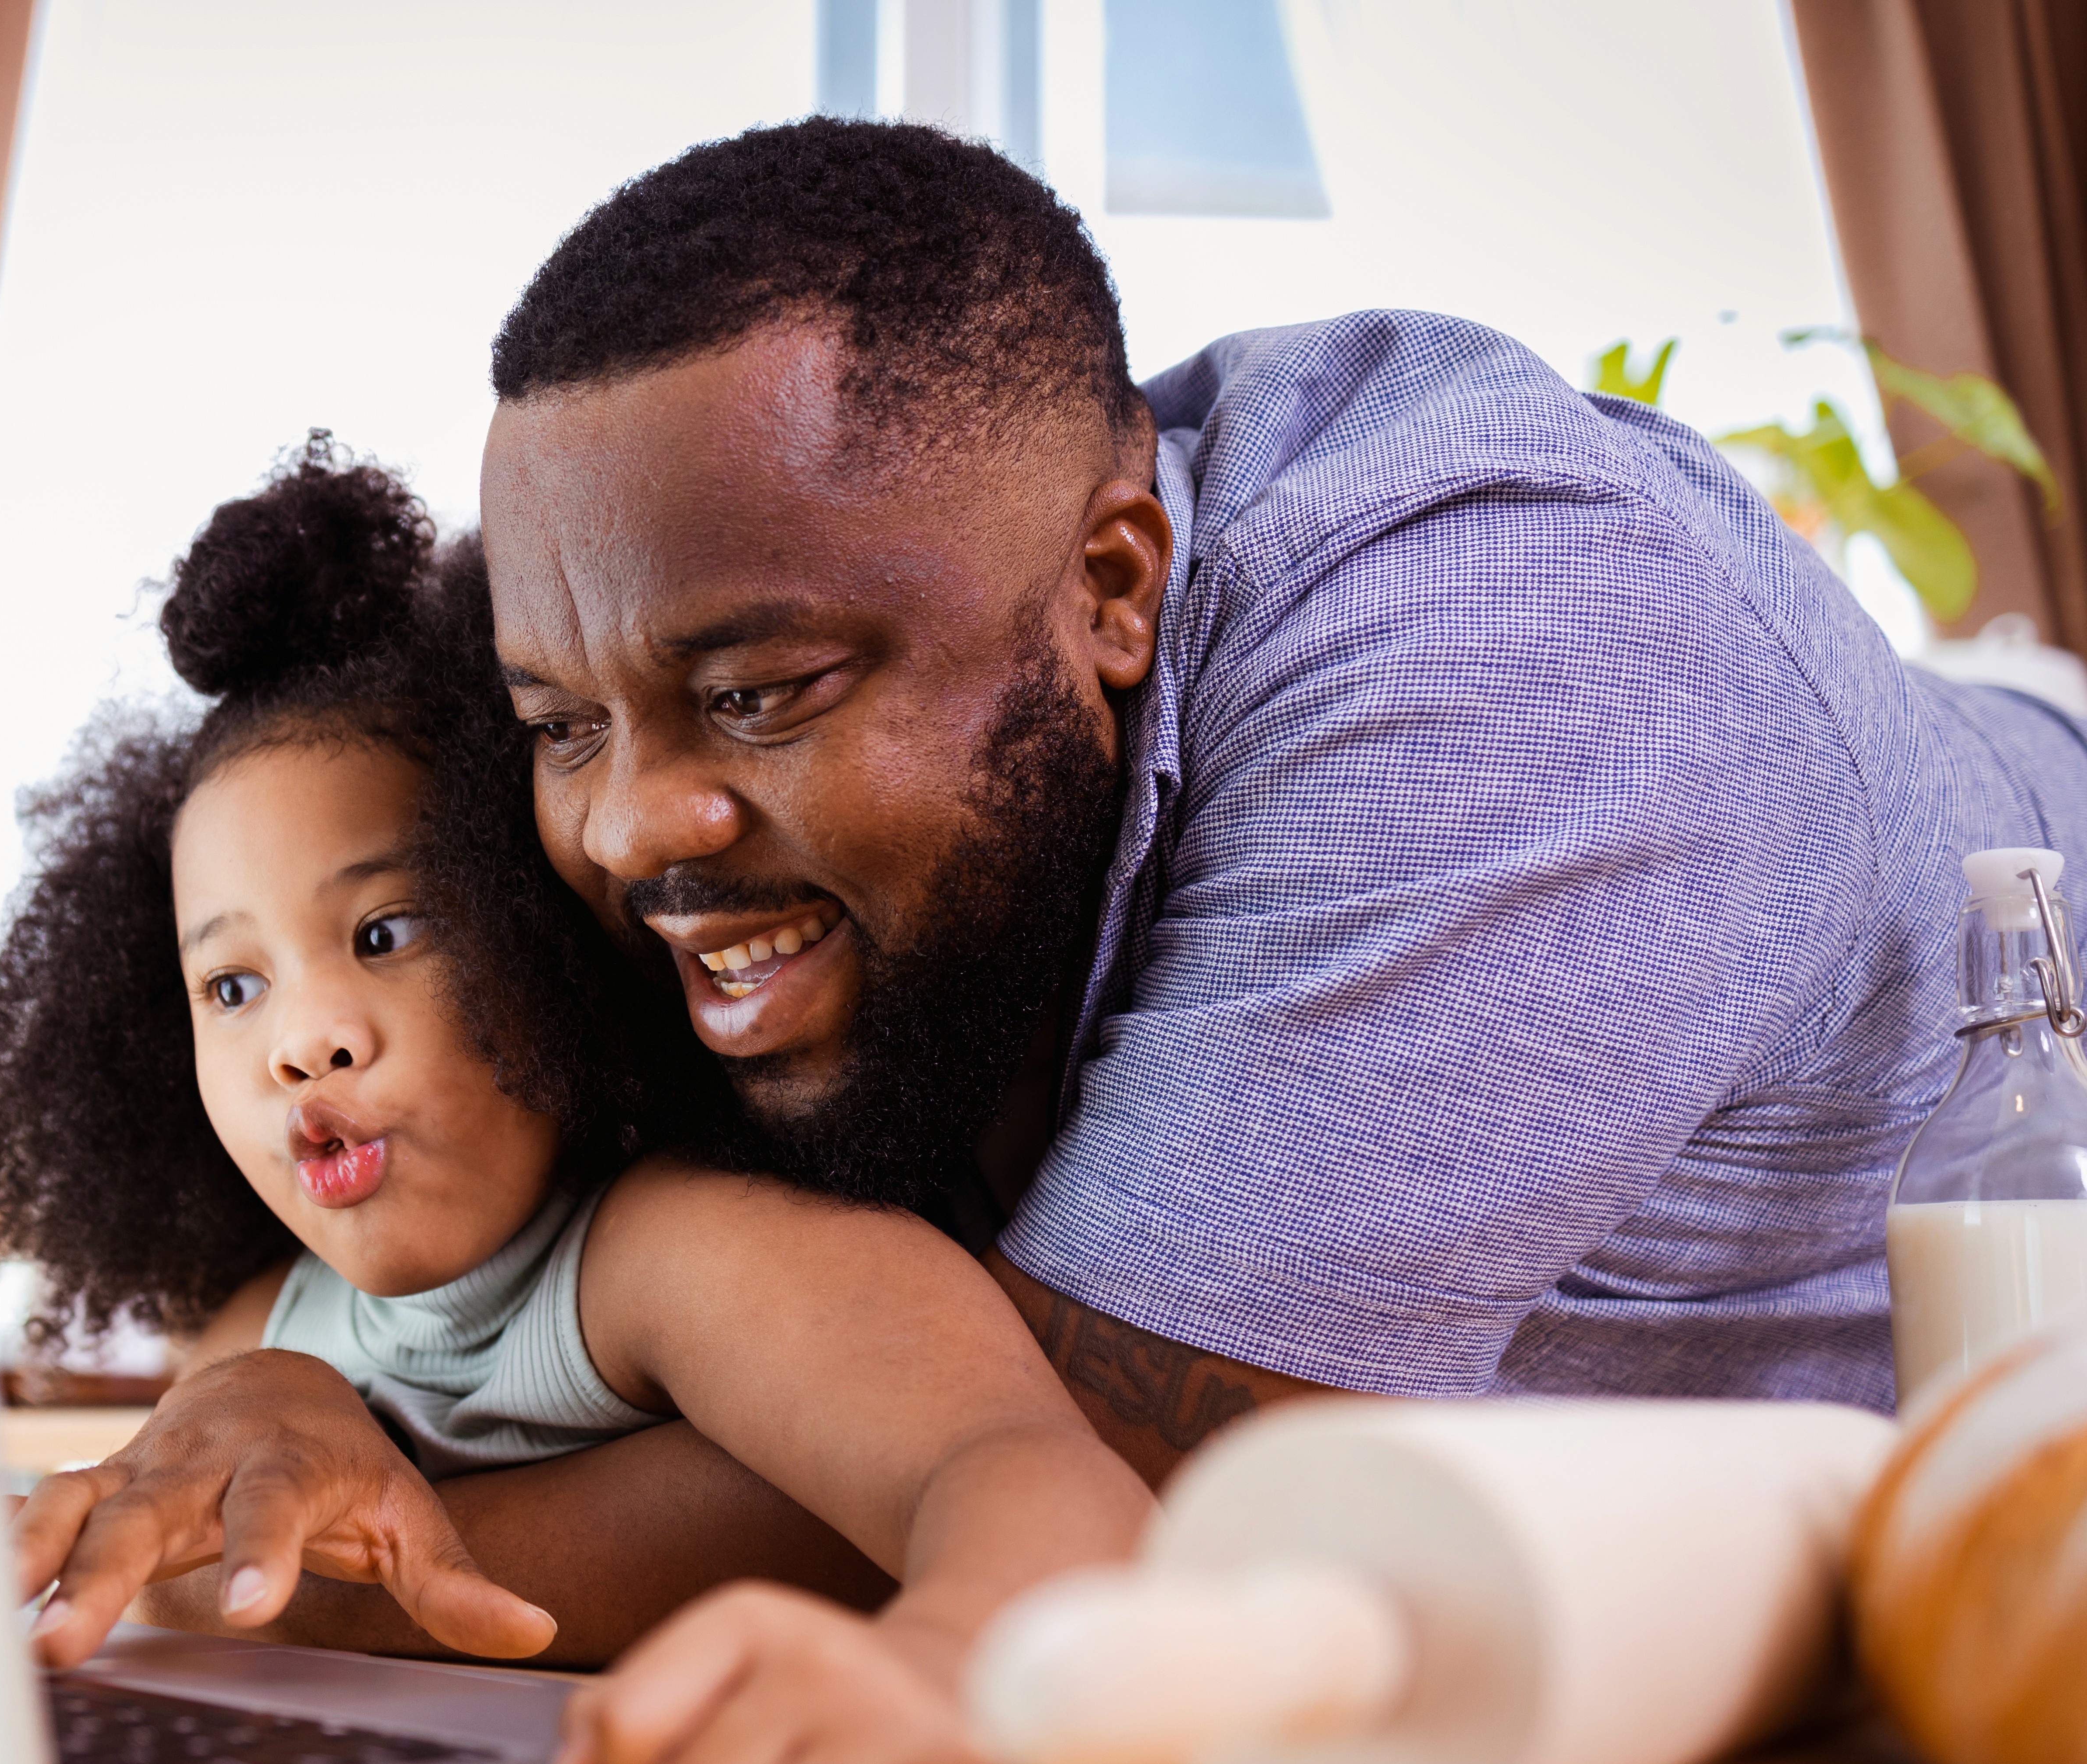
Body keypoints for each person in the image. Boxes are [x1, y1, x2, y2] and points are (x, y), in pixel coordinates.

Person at [142, 116, 2087, 1670]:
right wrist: (267, 1409)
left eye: (754, 695)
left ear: (1116, 585)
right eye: (561, 723)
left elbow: (1082, 1470)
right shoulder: (913, 661)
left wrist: (276, 1558)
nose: (635, 827)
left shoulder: (1509, 641)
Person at [0, 440, 1152, 1764]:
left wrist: (950, 1672)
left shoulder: (677, 1251)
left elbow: (1040, 1472)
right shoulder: (256, 1333)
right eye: (232, 986)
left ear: (546, 928)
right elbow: (186, 1576)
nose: (302, 1043)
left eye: (385, 935)